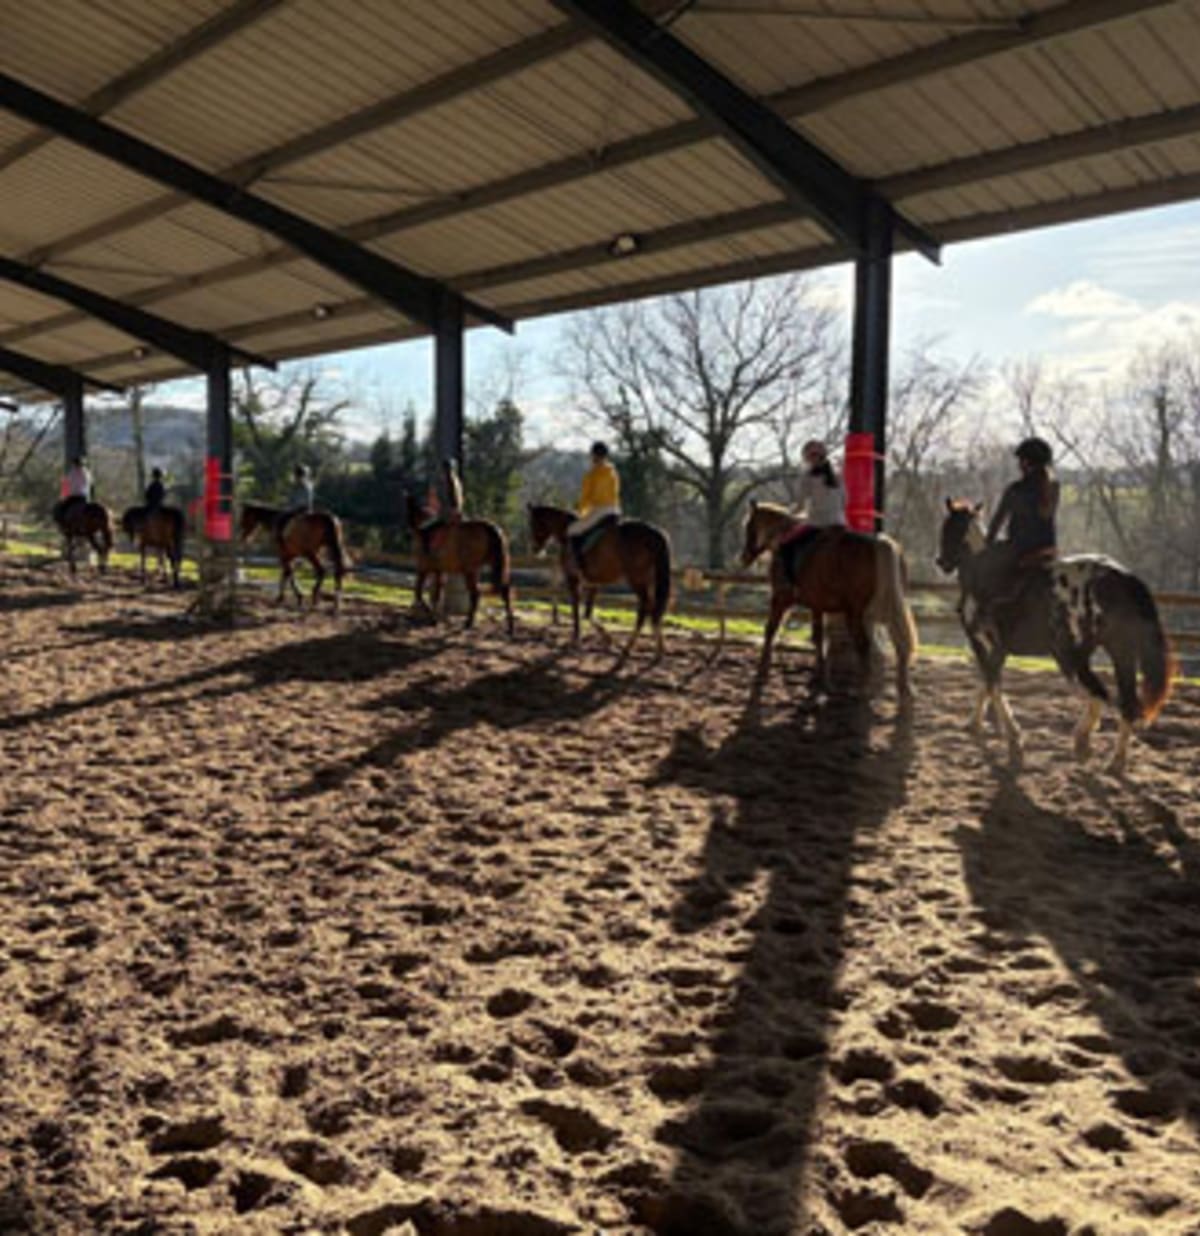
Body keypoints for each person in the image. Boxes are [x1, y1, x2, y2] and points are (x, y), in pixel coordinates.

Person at [975, 435, 1060, 637]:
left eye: (1020, 461)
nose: (1019, 465)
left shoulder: (1016, 489)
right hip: (1048, 549)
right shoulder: (1053, 486)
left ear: (1026, 462)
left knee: (984, 567)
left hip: (1020, 549)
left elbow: (997, 521)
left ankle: (986, 615)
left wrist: (988, 544)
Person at [568, 441, 621, 571]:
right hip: (615, 510)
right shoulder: (612, 472)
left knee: (572, 530)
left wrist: (579, 510)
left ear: (594, 456)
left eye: (592, 455)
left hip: (600, 510)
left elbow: (587, 497)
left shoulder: (592, 474)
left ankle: (578, 565)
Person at [794, 439, 845, 528]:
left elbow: (800, 505)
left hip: (817, 524)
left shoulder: (807, 477)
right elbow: (844, 501)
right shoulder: (838, 475)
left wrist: (787, 514)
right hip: (839, 523)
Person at [418, 458, 463, 553]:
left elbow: (446, 500)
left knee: (424, 529)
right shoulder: (457, 482)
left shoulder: (446, 483)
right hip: (458, 513)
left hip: (447, 515)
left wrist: (437, 510)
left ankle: (428, 554)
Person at [54, 455, 93, 524]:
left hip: (73, 496)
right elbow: (90, 484)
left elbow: (66, 484)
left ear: (74, 464)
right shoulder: (87, 473)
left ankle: (63, 524)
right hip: (84, 497)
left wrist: (63, 496)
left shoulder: (72, 473)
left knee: (59, 508)